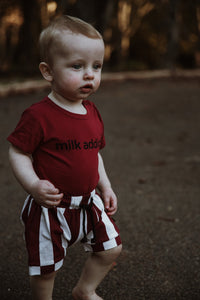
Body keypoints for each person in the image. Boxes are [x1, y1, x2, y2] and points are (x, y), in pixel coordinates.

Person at [7, 15, 122, 300]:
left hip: (87, 203)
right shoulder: (39, 115)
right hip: (51, 207)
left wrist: (104, 186)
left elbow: (94, 153)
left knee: (111, 248)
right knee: (46, 269)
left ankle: (85, 290)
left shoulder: (92, 112)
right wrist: (33, 186)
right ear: (48, 71)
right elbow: (18, 151)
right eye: (77, 66)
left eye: (96, 67)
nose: (89, 74)